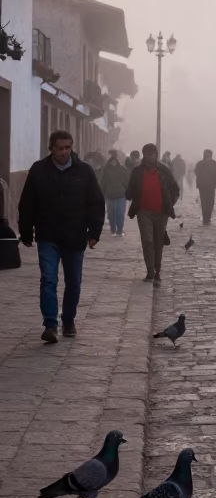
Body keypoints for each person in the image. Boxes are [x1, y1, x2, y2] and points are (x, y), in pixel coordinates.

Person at [17, 130, 105, 343]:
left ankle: (68, 319)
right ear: (52, 148)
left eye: (68, 147)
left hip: (75, 236)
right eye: (60, 148)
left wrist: (94, 232)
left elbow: (96, 203)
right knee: (48, 279)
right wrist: (26, 230)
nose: (64, 152)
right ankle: (50, 324)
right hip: (48, 235)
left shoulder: (84, 171)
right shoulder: (39, 170)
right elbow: (27, 202)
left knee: (74, 282)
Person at [127, 143, 180, 284]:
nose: (152, 157)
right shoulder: (137, 171)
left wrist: (169, 204)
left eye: (154, 154)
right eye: (149, 154)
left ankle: (157, 270)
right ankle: (150, 272)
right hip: (143, 212)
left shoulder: (164, 170)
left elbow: (175, 189)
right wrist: (135, 198)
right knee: (147, 241)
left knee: (158, 242)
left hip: (161, 213)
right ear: (144, 155)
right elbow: (130, 189)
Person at [99, 149, 130, 237]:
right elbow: (103, 183)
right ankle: (113, 229)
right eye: (112, 161)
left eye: (114, 161)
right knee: (111, 214)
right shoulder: (106, 170)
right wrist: (101, 193)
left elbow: (127, 181)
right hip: (109, 195)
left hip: (121, 194)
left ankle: (119, 230)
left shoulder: (122, 169)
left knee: (120, 213)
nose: (113, 163)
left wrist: (127, 190)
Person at [194, 149, 216, 225]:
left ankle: (206, 218)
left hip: (205, 186)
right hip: (208, 186)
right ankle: (207, 218)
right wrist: (215, 181)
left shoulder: (200, 163)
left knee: (206, 202)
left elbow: (196, 172)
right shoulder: (214, 164)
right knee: (208, 202)